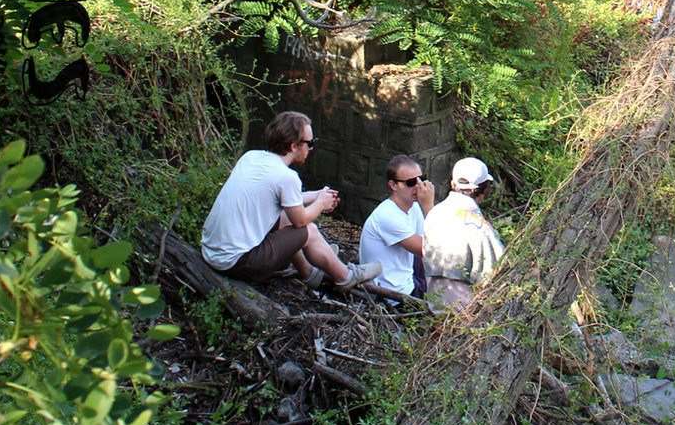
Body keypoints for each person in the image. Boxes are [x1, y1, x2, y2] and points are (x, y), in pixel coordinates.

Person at [200, 111, 382, 291]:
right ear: (294, 146)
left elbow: (278, 199)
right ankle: (345, 277)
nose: (311, 148)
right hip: (237, 263)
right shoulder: (287, 177)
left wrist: (317, 194)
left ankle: (310, 271)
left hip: (211, 252)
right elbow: (300, 220)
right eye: (310, 143)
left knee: (286, 217)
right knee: (308, 231)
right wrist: (321, 204)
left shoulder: (251, 157)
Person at [422, 157, 506, 309]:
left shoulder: (434, 214)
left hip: (434, 305)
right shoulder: (480, 228)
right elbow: (497, 274)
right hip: (468, 314)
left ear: (453, 184)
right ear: (485, 189)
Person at [358, 155, 435, 297]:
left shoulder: (414, 207)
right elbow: (430, 249)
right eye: (411, 182)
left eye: (421, 179)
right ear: (393, 185)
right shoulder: (388, 215)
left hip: (409, 281)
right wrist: (429, 206)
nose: (418, 187)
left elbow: (431, 240)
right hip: (390, 294)